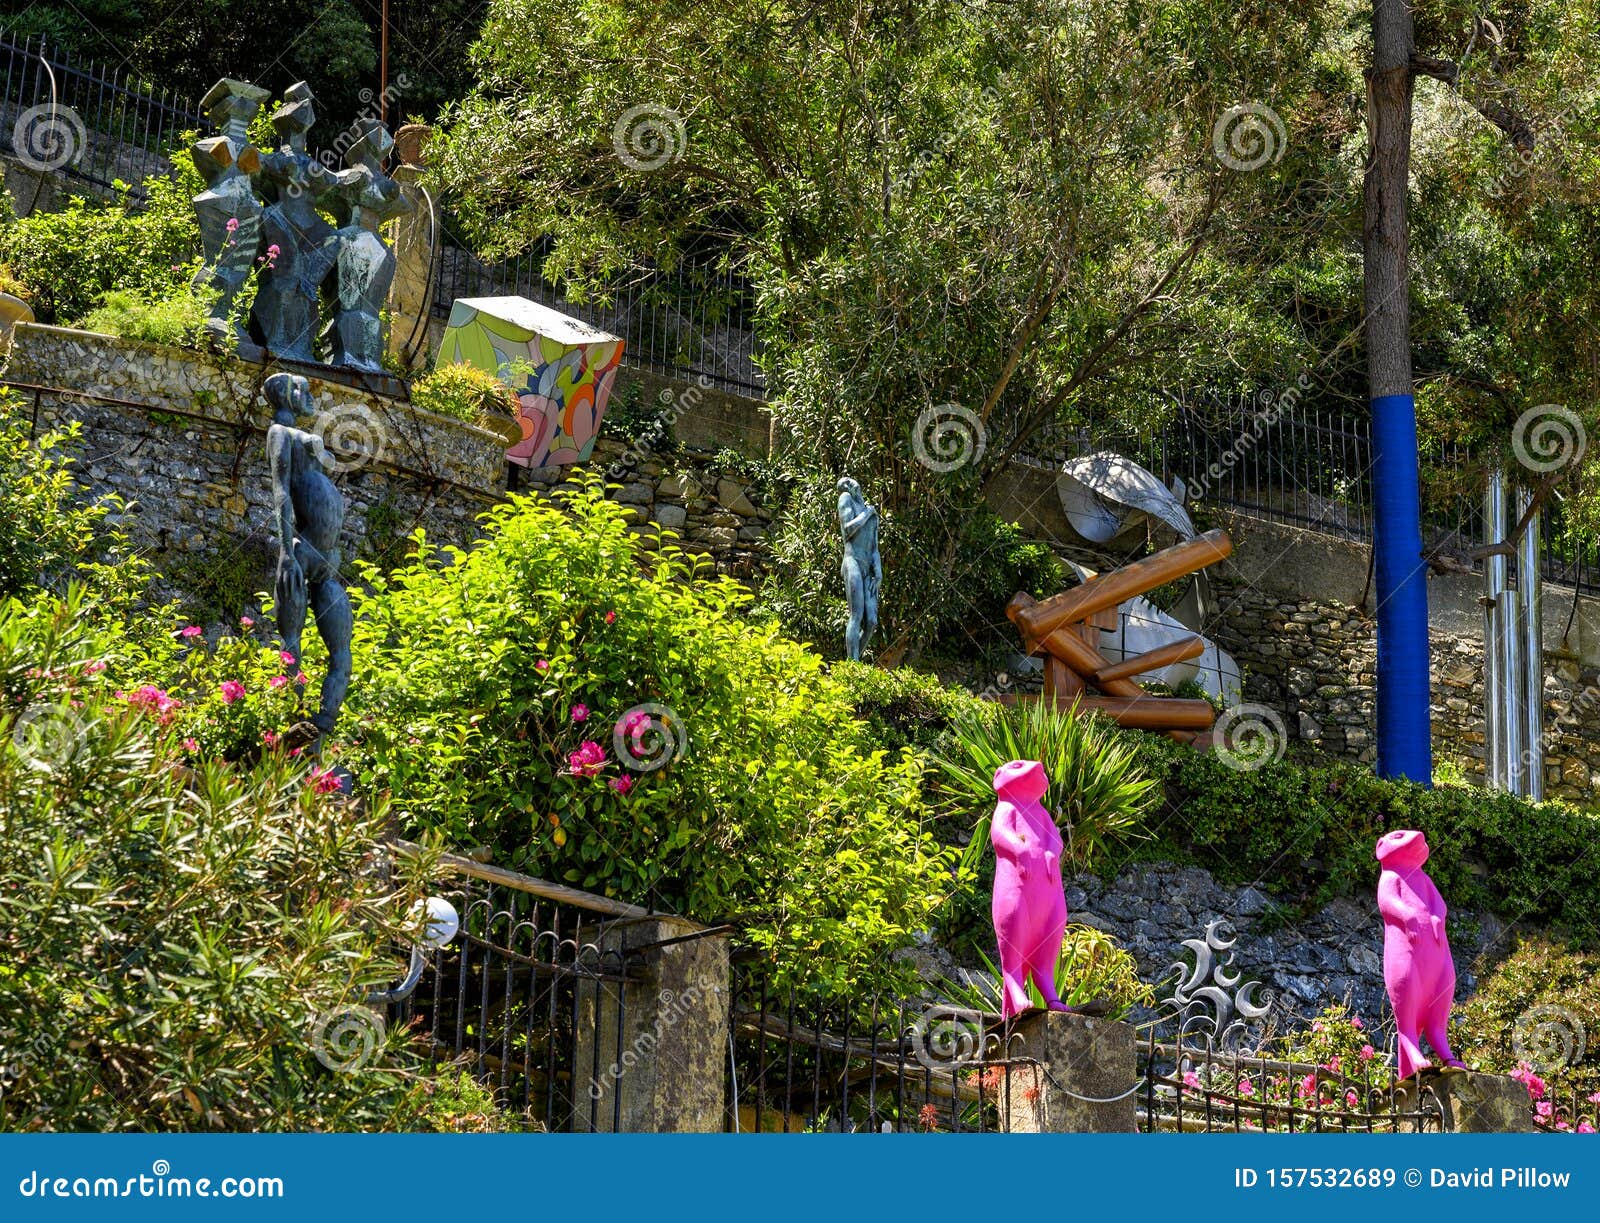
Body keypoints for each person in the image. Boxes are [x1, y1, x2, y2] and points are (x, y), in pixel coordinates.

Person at [266, 372, 352, 748]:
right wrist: (286, 550)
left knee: (342, 651)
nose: (309, 394)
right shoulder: (279, 434)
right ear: (284, 395)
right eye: (299, 388)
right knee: (291, 639)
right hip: (301, 553)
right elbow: (280, 490)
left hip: (328, 560)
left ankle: (321, 729)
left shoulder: (303, 439)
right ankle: (289, 724)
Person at [836, 477, 881, 660]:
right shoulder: (846, 499)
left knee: (871, 621)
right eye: (843, 485)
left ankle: (853, 662)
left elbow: (875, 547)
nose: (847, 485)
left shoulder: (870, 511)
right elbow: (847, 530)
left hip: (868, 568)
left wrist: (878, 570)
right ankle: (852, 664)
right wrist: (866, 514)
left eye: (847, 480)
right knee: (856, 615)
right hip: (852, 561)